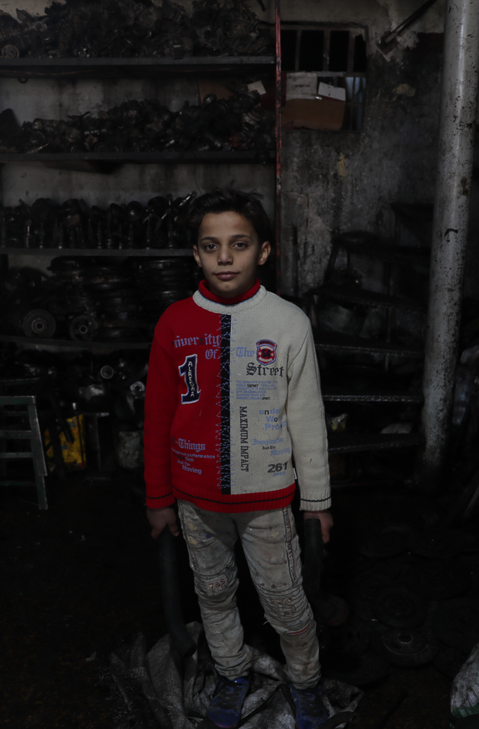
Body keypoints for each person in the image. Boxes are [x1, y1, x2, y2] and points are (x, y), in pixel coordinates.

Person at [143, 188, 333, 729]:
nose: (224, 257)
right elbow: (156, 418)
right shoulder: (174, 323)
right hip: (195, 501)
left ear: (264, 251)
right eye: (211, 246)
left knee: (286, 603)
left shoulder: (288, 322)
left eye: (240, 244)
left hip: (267, 501)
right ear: (196, 254)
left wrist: (317, 503)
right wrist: (158, 498)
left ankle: (306, 683)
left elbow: (307, 418)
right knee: (213, 594)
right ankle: (231, 674)